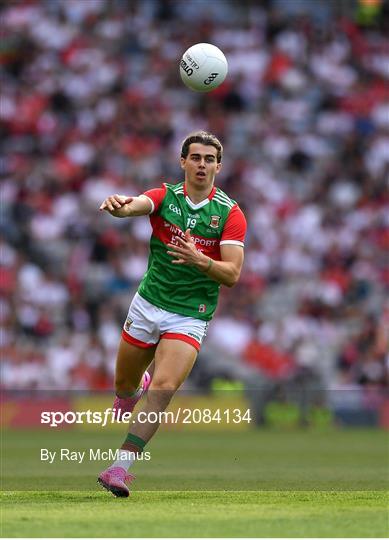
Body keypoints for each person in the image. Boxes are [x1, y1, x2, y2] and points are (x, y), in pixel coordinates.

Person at [97, 131, 247, 497]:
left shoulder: (229, 213)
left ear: (218, 166)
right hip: (148, 305)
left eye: (209, 159)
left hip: (190, 315)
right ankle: (134, 389)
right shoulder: (166, 196)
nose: (201, 164)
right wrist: (121, 206)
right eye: (195, 157)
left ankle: (120, 468)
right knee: (123, 387)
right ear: (183, 162)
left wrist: (200, 259)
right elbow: (137, 205)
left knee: (165, 388)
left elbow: (232, 275)